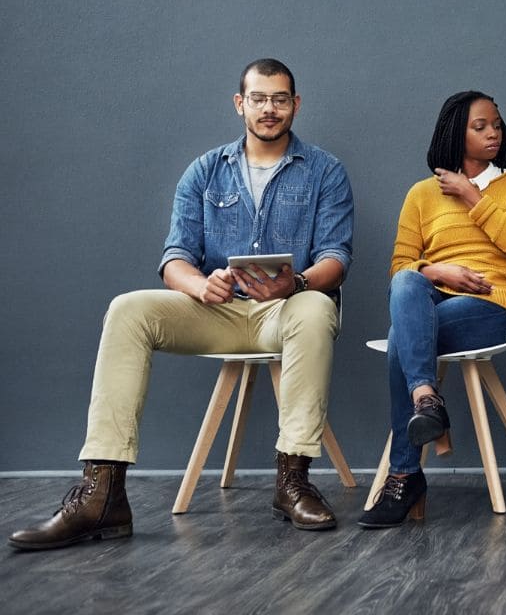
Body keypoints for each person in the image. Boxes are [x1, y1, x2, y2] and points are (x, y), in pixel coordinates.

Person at [8, 58, 354, 550]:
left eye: (280, 99)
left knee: (318, 306)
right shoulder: (205, 171)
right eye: (259, 98)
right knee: (129, 309)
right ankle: (101, 493)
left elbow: (337, 258)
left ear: (295, 105)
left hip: (286, 311)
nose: (269, 109)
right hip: (218, 312)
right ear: (240, 104)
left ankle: (292, 480)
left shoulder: (325, 171)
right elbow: (174, 258)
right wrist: (197, 286)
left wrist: (295, 282)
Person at [359, 92, 506, 528]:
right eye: (480, 126)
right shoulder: (421, 194)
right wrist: (439, 270)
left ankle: (404, 477)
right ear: (455, 132)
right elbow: (401, 268)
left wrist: (471, 195)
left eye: (496, 123)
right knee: (407, 282)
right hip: (432, 299)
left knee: (405, 339)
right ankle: (427, 397)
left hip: (491, 306)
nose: (493, 132)